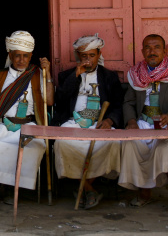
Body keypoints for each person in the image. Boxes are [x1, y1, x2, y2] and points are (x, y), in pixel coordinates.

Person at [0, 31, 54, 215]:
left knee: (32, 149)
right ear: (10, 55)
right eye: (17, 56)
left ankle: (10, 190)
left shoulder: (37, 74)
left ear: (30, 56)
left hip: (28, 127)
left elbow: (49, 102)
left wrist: (47, 74)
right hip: (2, 126)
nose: (21, 60)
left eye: (25, 56)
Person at [52, 34, 123, 209]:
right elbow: (59, 101)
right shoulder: (66, 75)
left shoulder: (109, 77)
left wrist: (109, 120)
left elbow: (118, 104)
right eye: (84, 56)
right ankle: (88, 188)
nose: (88, 60)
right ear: (79, 57)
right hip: (73, 123)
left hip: (98, 125)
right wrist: (75, 76)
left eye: (92, 56)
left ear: (99, 55)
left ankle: (83, 187)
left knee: (113, 143)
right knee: (62, 144)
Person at [119, 34, 168, 209]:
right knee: (129, 145)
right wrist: (131, 121)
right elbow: (128, 102)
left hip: (167, 124)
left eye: (156, 47)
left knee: (164, 148)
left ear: (164, 50)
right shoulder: (136, 73)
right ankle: (144, 192)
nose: (152, 52)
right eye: (148, 48)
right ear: (142, 51)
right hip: (143, 123)